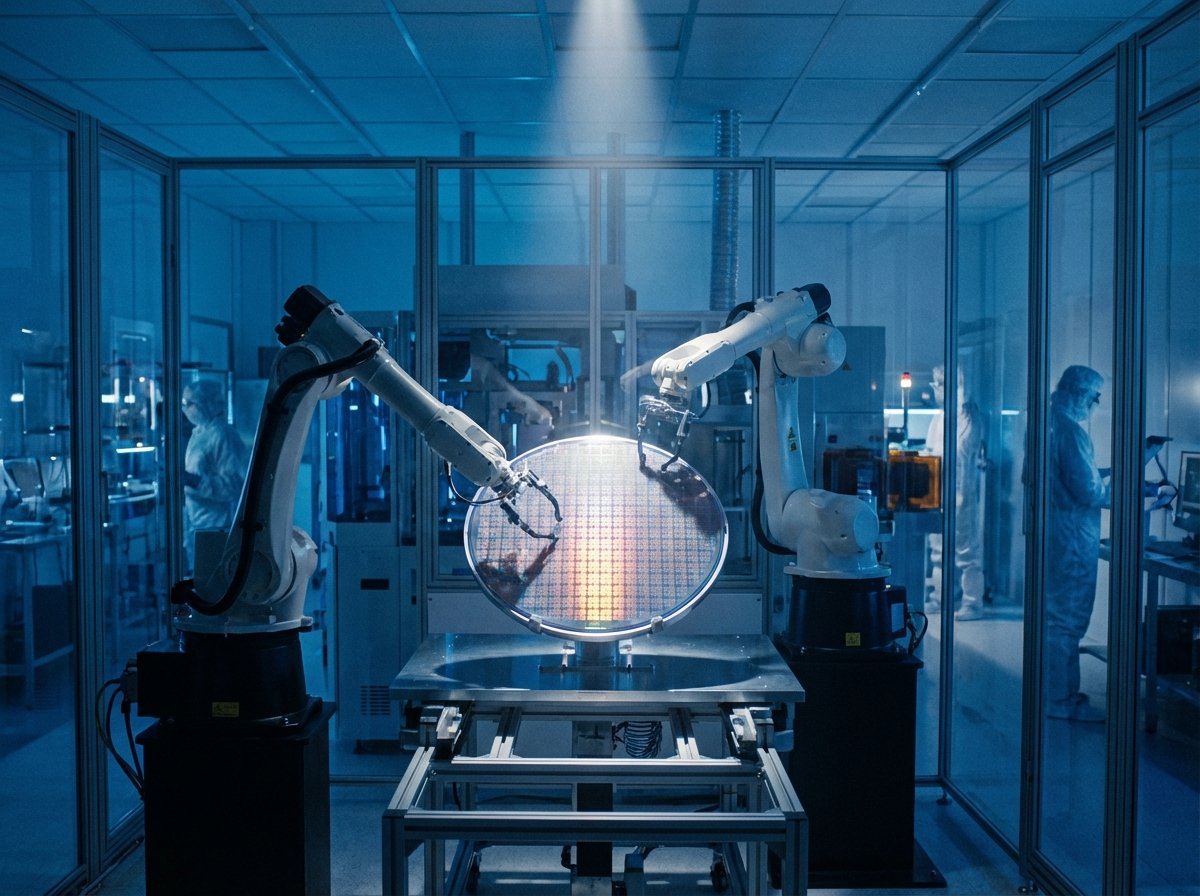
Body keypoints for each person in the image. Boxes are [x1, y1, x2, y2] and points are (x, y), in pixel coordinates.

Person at [1044, 365, 1109, 722]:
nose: (1096, 404)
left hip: (1056, 536)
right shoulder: (1071, 432)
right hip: (1072, 539)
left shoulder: (1048, 423)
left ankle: (1058, 693)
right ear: (1081, 393)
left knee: (1056, 619)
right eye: (1095, 397)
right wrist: (1134, 492)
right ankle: (1060, 699)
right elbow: (1089, 491)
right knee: (1067, 621)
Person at [925, 365, 987, 620]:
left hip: (963, 493)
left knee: (966, 551)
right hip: (938, 492)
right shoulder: (941, 417)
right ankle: (940, 598)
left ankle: (973, 603)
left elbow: (962, 456)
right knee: (938, 550)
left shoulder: (969, 417)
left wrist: (959, 495)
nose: (935, 390)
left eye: (938, 385)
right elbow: (931, 454)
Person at [182, 378, 248, 575]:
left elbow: (233, 485)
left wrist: (192, 481)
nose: (185, 408)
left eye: (190, 403)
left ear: (207, 404)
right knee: (200, 577)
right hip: (198, 520)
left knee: (213, 581)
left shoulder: (223, 434)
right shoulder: (199, 432)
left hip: (218, 524)